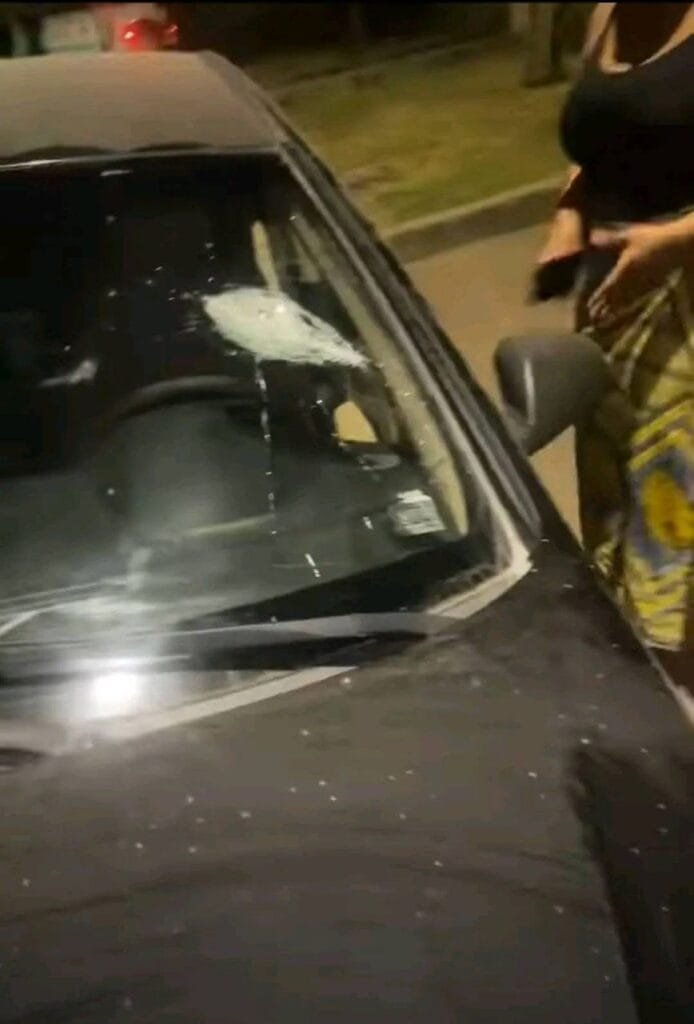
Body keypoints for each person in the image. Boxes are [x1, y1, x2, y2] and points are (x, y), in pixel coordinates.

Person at [535, 2, 694, 691]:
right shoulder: (605, 12)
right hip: (613, 309)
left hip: (684, 308)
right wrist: (569, 217)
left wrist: (674, 240)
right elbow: (600, 147)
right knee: (618, 521)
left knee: (676, 535)